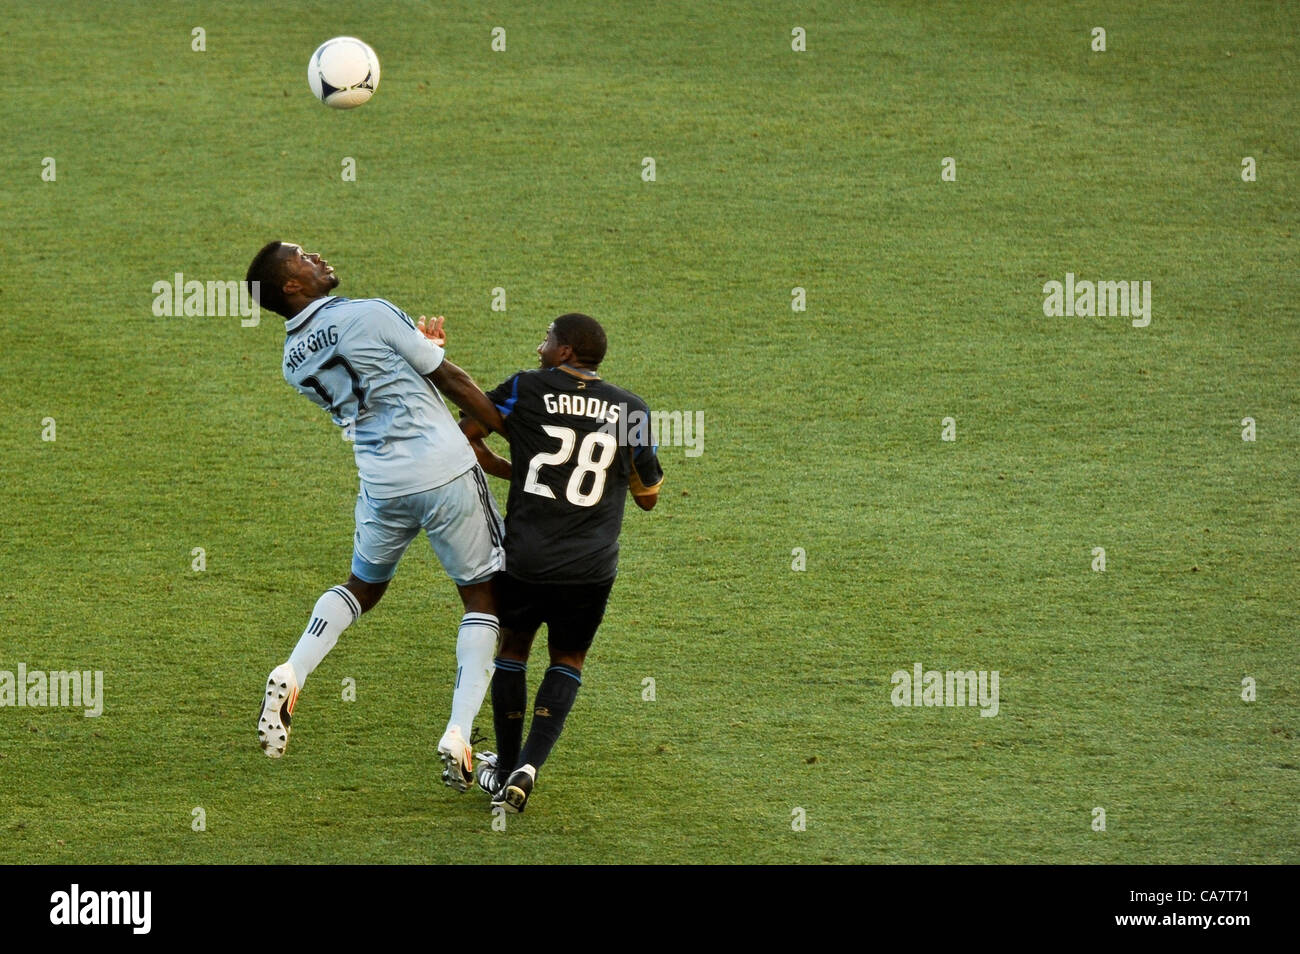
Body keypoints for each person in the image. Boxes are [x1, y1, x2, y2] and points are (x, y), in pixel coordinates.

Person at [243, 241, 505, 792]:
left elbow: (376, 390)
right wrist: (513, 436)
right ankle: (459, 733)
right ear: (290, 285)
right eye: (303, 256)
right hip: (446, 470)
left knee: (362, 586)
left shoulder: (292, 362)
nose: (317, 257)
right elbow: (451, 379)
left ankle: (294, 670)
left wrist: (416, 352)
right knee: (483, 597)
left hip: (382, 482)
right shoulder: (370, 311)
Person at [450, 313, 664, 813]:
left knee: (513, 650)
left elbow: (467, 434)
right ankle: (529, 766)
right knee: (567, 659)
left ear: (565, 351)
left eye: (547, 337)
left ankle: (502, 767)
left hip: (527, 557)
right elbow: (648, 497)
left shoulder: (526, 388)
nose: (540, 344)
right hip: (590, 567)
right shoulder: (632, 409)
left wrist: (515, 468)